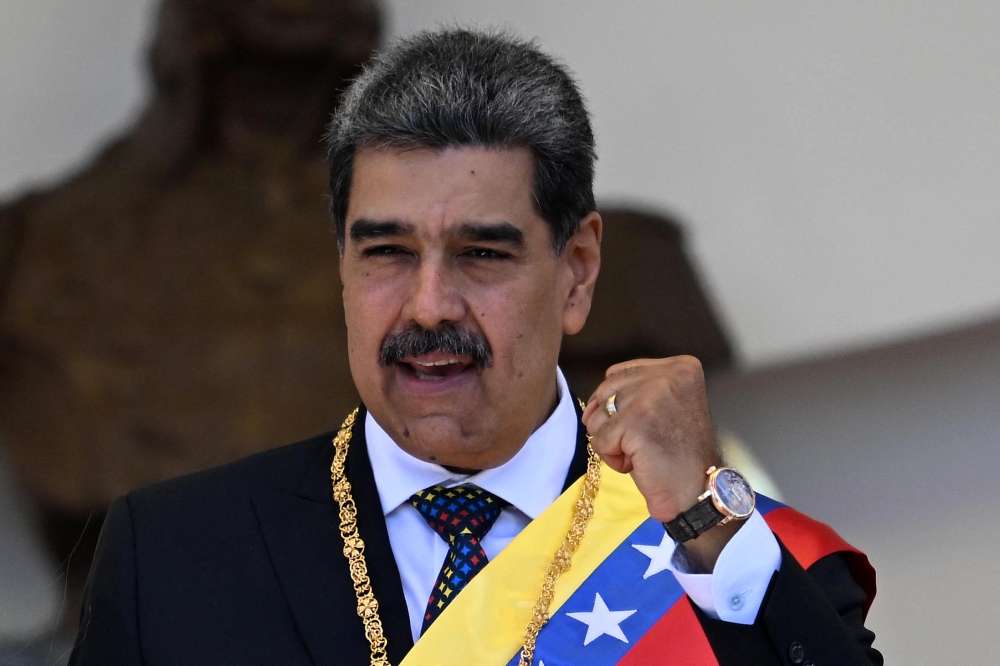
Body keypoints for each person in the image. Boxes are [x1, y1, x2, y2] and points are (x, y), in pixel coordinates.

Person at [69, 28, 880, 666]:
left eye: (481, 254)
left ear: (578, 271)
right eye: (386, 251)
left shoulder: (726, 551)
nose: (428, 306)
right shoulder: (173, 555)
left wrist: (703, 527)